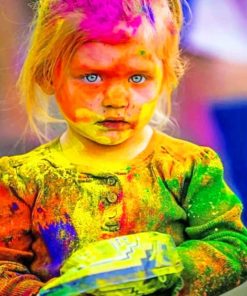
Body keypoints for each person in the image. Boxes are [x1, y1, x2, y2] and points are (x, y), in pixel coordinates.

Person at [0, 0, 246, 295]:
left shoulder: (189, 167)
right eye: (92, 76)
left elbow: (233, 247)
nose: (116, 99)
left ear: (166, 79)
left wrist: (162, 268)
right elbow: (6, 266)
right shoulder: (21, 179)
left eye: (137, 77)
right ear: (48, 75)